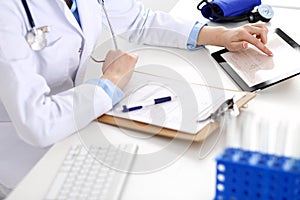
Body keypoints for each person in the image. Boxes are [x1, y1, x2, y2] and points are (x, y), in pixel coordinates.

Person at [0, 0, 272, 198]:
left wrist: (219, 35)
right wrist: (110, 83)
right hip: (24, 160)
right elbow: (36, 122)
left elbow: (140, 20)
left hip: (78, 127)